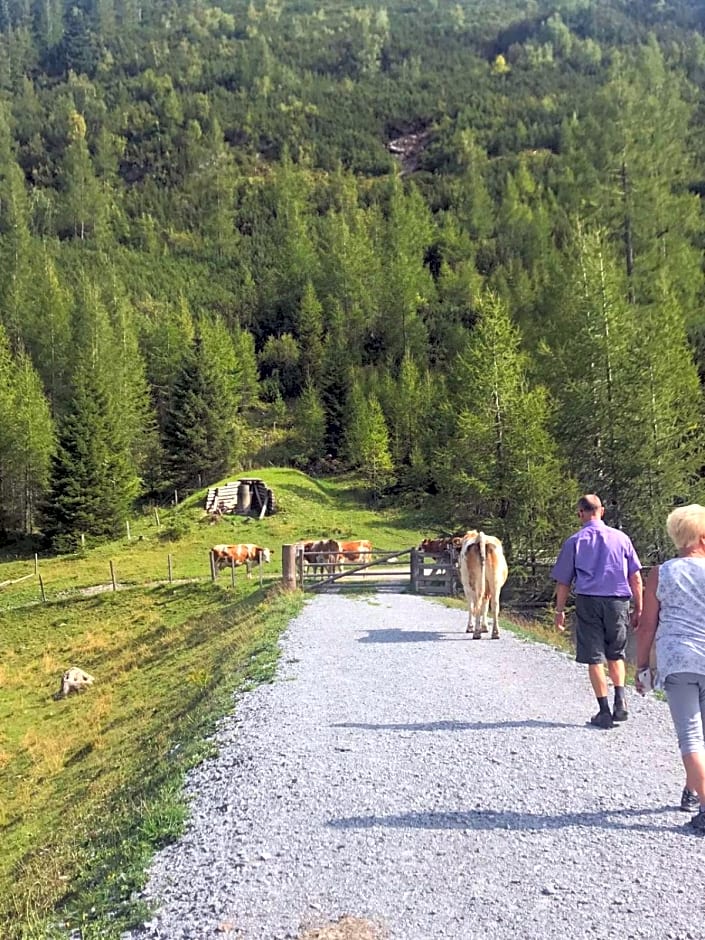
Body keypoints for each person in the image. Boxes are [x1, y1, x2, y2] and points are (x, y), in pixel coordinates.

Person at [635, 504, 705, 831]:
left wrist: (641, 667)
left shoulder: (661, 573)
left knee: (690, 736)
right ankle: (694, 792)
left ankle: (698, 796)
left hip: (677, 660)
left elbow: (647, 625)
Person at [552, 494, 643, 729]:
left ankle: (603, 711)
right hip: (618, 601)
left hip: (589, 601)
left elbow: (564, 581)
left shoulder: (575, 541)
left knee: (594, 657)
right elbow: (635, 577)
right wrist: (639, 608)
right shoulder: (622, 538)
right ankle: (620, 701)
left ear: (580, 513)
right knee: (616, 653)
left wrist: (559, 610)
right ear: (601, 511)